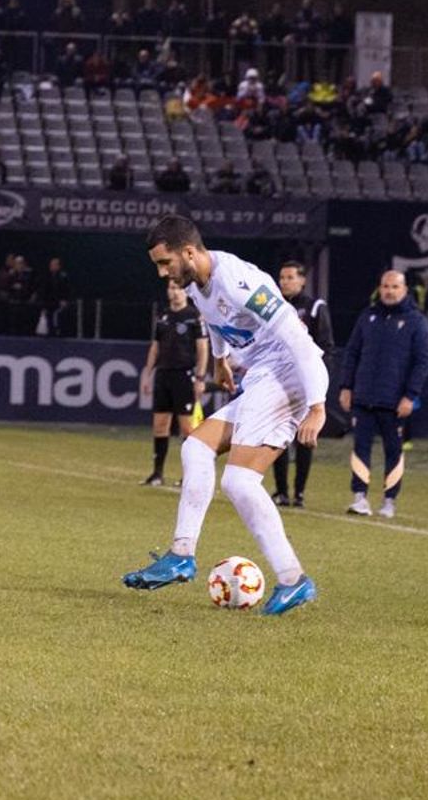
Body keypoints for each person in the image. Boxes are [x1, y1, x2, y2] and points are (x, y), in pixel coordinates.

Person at [121, 215, 325, 616]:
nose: (163, 273)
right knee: (196, 448)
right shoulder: (198, 285)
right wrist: (220, 360)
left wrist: (317, 405)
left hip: (286, 375)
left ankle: (293, 579)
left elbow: (300, 341)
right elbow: (215, 321)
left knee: (239, 481)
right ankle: (182, 555)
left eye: (166, 263)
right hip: (261, 378)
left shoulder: (237, 280)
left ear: (190, 252)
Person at [339, 271, 428, 518]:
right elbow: (352, 353)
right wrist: (346, 386)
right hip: (363, 397)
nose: (389, 291)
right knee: (360, 447)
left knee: (394, 449)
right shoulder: (367, 316)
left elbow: (422, 362)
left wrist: (410, 396)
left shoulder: (416, 321)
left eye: (395, 286)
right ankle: (359, 498)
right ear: (379, 288)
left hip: (394, 401)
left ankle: (389, 501)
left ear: (404, 290)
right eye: (385, 286)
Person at [271, 261, 334, 507]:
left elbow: (326, 347)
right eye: (281, 277)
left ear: (302, 280)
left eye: (289, 277)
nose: (284, 281)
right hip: (279, 382)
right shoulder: (275, 307)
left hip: (306, 384)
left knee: (304, 437)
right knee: (278, 436)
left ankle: (299, 493)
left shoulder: (315, 307)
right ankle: (281, 491)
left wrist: (319, 385)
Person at [139, 279, 210, 487]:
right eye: (171, 288)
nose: (175, 292)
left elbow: (202, 348)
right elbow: (155, 346)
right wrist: (148, 373)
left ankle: (190, 475)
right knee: (160, 425)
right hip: (163, 375)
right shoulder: (162, 316)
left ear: (186, 292)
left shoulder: (194, 316)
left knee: (187, 428)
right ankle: (157, 473)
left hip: (184, 376)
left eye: (178, 288)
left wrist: (200, 377)